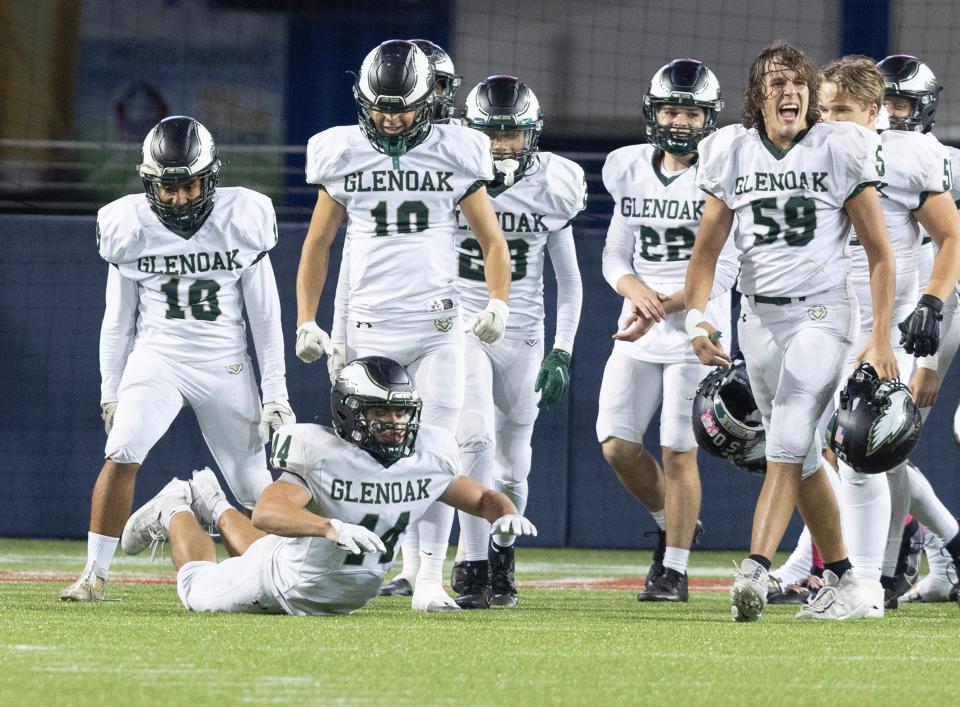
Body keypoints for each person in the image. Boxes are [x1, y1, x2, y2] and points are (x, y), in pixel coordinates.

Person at [294, 40, 512, 612]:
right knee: (366, 458)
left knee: (437, 453)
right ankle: (368, 563)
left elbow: (492, 240)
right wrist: (306, 320)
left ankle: (430, 579)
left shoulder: (455, 150)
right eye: (381, 106)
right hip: (369, 326)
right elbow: (318, 245)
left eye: (403, 107)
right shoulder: (341, 152)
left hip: (438, 325)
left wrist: (497, 303)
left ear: (428, 101)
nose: (391, 118)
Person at [684, 42, 898, 621]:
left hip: (823, 313)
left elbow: (879, 254)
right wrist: (697, 315)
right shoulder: (731, 151)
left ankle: (755, 567)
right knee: (801, 458)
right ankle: (848, 581)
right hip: (758, 318)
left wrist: (879, 337)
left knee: (787, 434)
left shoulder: (839, 146)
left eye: (800, 83)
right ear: (757, 96)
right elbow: (706, 253)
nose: (791, 92)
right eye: (778, 83)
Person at [60, 116, 292, 602]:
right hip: (158, 358)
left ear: (210, 178)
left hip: (225, 362)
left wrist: (277, 394)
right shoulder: (128, 226)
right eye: (168, 189)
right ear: (150, 184)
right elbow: (117, 321)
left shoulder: (242, 218)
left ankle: (268, 574)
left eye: (188, 186)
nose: (180, 199)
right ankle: (94, 574)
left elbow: (265, 317)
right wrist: (110, 392)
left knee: (254, 485)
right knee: (122, 449)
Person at [120, 357, 537, 617]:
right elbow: (267, 513)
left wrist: (505, 516)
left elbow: (481, 497)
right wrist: (330, 528)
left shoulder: (427, 454)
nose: (394, 423)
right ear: (349, 411)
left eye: (401, 413)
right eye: (381, 412)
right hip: (279, 586)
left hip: (307, 571)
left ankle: (210, 500)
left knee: (265, 549)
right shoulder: (321, 452)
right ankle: (174, 507)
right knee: (197, 588)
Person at [818, 55, 960, 616]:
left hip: (888, 324)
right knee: (838, 452)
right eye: (824, 109)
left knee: (861, 450)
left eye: (842, 109)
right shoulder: (810, 151)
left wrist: (930, 303)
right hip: (821, 320)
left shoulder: (914, 154)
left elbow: (952, 237)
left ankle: (867, 584)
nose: (830, 119)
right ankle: (940, 547)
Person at [442, 75, 585, 609]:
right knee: (473, 437)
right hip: (465, 323)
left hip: (524, 333)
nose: (502, 145)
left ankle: (502, 555)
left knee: (514, 463)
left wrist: (563, 349)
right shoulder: (451, 172)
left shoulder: (554, 183)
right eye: (492, 133)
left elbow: (569, 282)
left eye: (511, 134)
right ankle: (471, 563)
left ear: (533, 134)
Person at [597, 59, 737, 602]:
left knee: (679, 450)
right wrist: (635, 292)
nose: (680, 121)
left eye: (692, 111)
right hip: (638, 322)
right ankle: (669, 520)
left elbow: (726, 267)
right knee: (616, 445)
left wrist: (665, 305)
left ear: (709, 117)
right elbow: (614, 251)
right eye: (672, 110)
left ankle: (673, 568)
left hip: (697, 327)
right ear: (654, 113)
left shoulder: (722, 171)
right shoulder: (628, 167)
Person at [875, 54, 960, 607]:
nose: (888, 114)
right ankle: (936, 552)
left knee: (880, 443)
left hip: (938, 311)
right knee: (879, 444)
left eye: (899, 103)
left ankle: (892, 564)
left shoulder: (943, 161)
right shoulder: (861, 151)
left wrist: (928, 359)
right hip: (916, 312)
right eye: (882, 102)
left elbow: (950, 251)